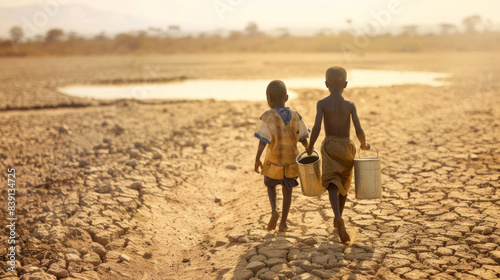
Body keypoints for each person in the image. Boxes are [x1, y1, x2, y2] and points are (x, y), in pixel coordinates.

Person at [306, 66, 370, 244]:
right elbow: (358, 130)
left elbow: (318, 127)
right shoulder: (350, 105)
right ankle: (340, 216)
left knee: (331, 182)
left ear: (326, 84)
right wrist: (364, 145)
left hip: (330, 146)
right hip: (347, 147)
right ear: (346, 84)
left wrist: (311, 146)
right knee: (344, 183)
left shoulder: (322, 103)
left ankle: (336, 216)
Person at [254, 80, 309, 232]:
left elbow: (262, 141)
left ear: (269, 98)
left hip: (273, 161)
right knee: (287, 190)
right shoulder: (296, 115)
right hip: (291, 162)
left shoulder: (267, 116)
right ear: (286, 97)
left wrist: (257, 159)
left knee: (270, 185)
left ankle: (274, 210)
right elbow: (304, 137)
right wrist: (309, 150)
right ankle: (283, 222)